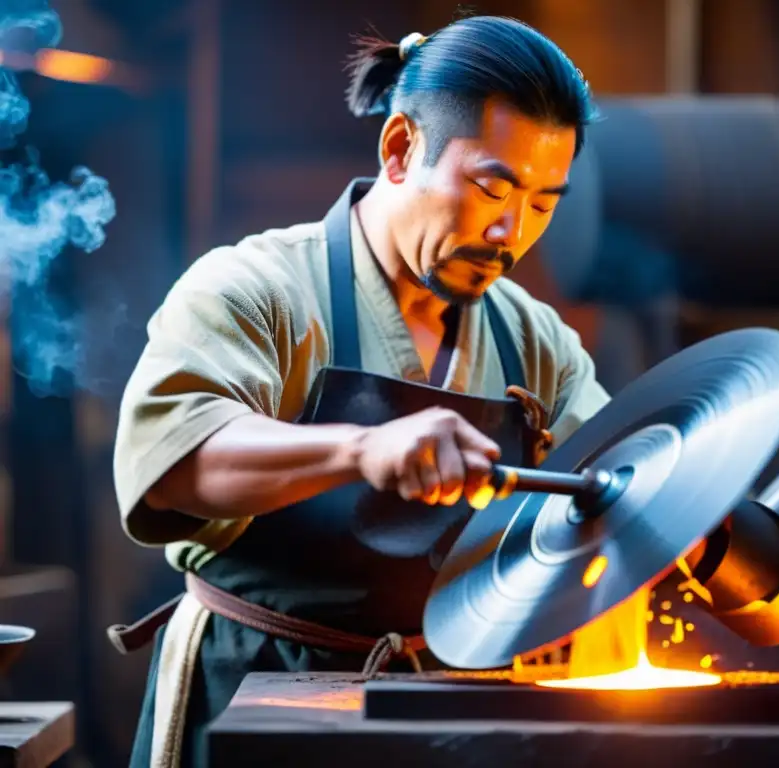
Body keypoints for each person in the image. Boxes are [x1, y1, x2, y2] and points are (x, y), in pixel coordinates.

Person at [110, 14, 611, 768]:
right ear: (402, 148)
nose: (512, 231)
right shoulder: (257, 290)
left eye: (543, 203)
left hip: (448, 711)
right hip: (249, 701)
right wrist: (364, 447)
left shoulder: (533, 340)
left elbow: (613, 481)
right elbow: (175, 463)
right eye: (492, 187)